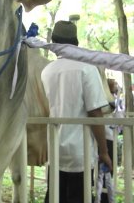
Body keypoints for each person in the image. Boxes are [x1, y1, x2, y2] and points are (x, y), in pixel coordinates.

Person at [41, 20, 113, 203]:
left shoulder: (47, 71)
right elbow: (95, 113)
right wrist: (104, 152)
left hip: (55, 148)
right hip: (80, 152)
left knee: (55, 196)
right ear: (76, 43)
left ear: (54, 42)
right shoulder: (86, 68)